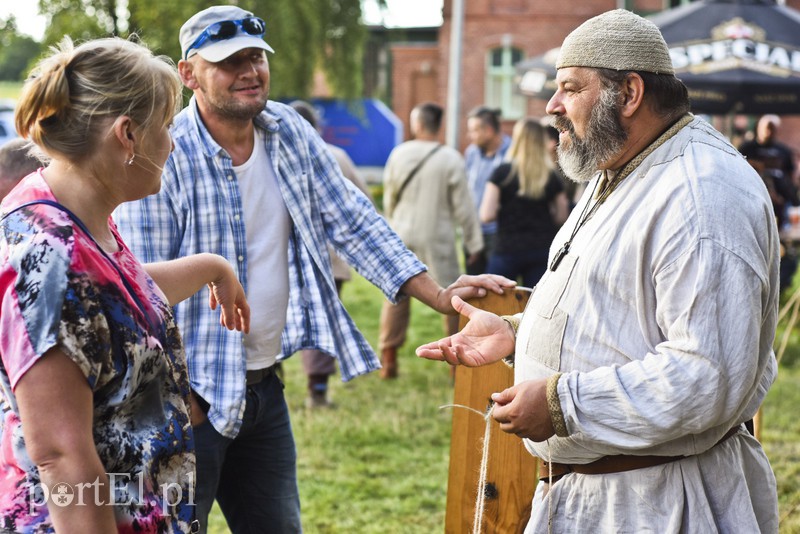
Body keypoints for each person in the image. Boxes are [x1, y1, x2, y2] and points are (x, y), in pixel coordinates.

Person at [112, 6, 514, 533]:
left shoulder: (289, 132)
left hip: (263, 391)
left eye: (256, 56)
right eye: (229, 62)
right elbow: (139, 288)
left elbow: (354, 221)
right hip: (190, 401)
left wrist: (438, 295)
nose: (249, 71)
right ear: (188, 75)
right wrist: (180, 398)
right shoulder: (165, 151)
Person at [418, 9, 779, 533]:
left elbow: (708, 373)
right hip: (601, 497)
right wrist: (518, 335)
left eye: (570, 87)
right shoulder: (621, 168)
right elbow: (615, 309)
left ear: (629, 93)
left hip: (661, 503)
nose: (552, 106)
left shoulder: (702, 195)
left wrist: (561, 402)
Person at [0, 37, 249, 534]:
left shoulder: (71, 211)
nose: (172, 144)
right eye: (167, 128)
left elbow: (106, 299)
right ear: (128, 135)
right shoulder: (49, 257)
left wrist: (211, 267)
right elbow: (60, 456)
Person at [379, 102, 483, 378]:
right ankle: (456, 364)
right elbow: (464, 206)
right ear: (438, 125)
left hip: (400, 233)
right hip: (437, 235)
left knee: (396, 295)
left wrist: (392, 225)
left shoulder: (399, 153)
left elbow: (389, 196)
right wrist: (474, 244)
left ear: (418, 124)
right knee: (452, 299)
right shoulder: (450, 158)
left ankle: (388, 358)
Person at [289, 99, 372, 407]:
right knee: (320, 320)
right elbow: (363, 203)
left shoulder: (269, 157)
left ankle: (274, 380)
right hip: (328, 257)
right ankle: (317, 391)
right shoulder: (335, 156)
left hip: (281, 255)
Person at [479, 118, 568, 288]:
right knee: (536, 307)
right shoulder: (551, 175)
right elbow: (561, 216)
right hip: (541, 249)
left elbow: (486, 215)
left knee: (496, 305)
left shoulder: (502, 172)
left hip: (507, 248)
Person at [464, 106, 511, 275]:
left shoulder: (512, 152)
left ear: (489, 130)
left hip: (499, 233)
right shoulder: (471, 153)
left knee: (498, 286)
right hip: (473, 232)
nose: (470, 136)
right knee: (473, 285)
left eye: (474, 130)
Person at [738, 114, 798, 230]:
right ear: (759, 128)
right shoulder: (747, 148)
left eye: (772, 128)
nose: (769, 132)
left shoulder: (783, 150)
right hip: (754, 195)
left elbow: (791, 173)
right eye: (766, 128)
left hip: (780, 199)